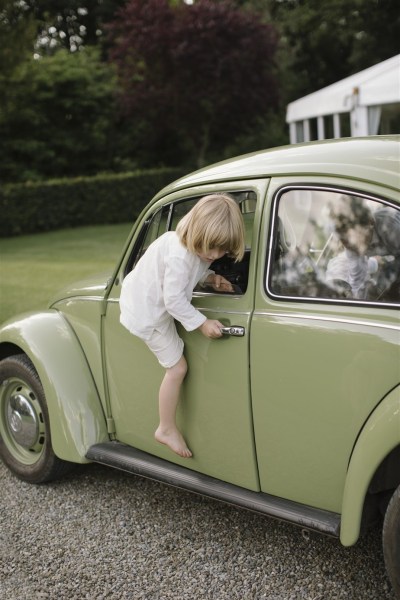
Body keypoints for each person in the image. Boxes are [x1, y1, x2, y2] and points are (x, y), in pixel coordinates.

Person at [119, 194, 245, 458]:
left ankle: (166, 427)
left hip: (148, 297)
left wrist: (211, 279)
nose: (214, 255)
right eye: (212, 247)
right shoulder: (180, 256)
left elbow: (193, 271)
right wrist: (202, 323)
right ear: (197, 232)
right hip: (148, 313)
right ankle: (165, 427)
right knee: (177, 368)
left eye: (222, 250)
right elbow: (173, 300)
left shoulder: (193, 247)